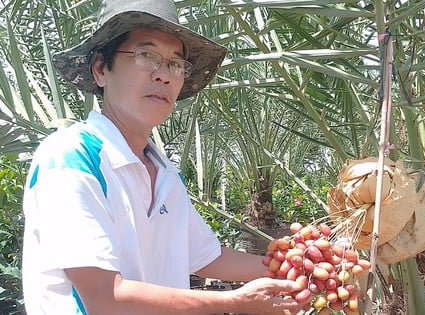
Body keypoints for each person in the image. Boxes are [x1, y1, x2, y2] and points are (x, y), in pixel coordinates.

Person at [21, 0, 307, 314]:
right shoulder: (71, 158)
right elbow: (106, 298)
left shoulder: (164, 173)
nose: (164, 76)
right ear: (101, 69)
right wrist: (235, 302)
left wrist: (297, 263)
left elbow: (206, 257)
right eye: (146, 55)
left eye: (175, 64)